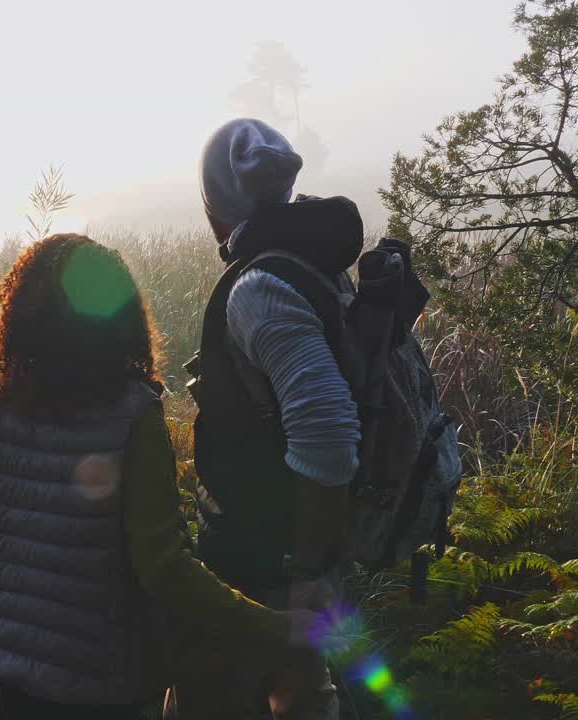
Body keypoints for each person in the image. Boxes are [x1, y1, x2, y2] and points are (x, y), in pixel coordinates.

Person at [0, 233, 325, 720]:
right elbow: (163, 567)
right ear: (121, 319)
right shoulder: (131, 417)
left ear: (21, 313)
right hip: (98, 686)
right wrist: (278, 627)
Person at [178, 118, 366, 719]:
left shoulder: (259, 286)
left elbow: (329, 433)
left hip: (263, 564)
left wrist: (307, 574)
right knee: (304, 700)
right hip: (296, 554)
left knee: (210, 699)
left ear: (217, 208)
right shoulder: (312, 268)